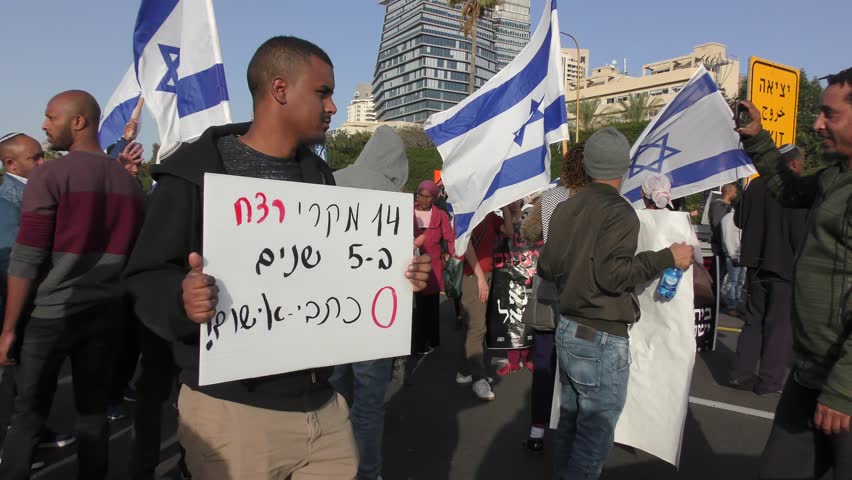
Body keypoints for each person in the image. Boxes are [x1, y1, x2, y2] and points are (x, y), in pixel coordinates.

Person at [122, 36, 430, 479]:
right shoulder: (196, 174)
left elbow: (330, 272)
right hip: (232, 411)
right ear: (280, 89)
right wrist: (181, 300)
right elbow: (145, 276)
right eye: (323, 92)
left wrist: (399, 276)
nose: (332, 107)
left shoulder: (320, 178)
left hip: (322, 408)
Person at [0, 90, 145, 480]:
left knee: (27, 418)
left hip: (50, 316)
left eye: (50, 117)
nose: (44, 125)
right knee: (93, 417)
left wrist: (10, 327)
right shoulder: (130, 184)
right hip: (106, 316)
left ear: (79, 122)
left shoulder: (48, 174)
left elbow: (26, 257)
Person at [537, 127, 694, 479]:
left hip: (568, 327)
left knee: (570, 426)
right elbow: (613, 275)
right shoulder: (620, 211)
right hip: (602, 334)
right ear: (624, 167)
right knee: (593, 441)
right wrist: (667, 257)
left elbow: (545, 266)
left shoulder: (564, 207)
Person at [737, 67, 852, 479]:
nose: (817, 124)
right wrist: (757, 137)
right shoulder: (836, 178)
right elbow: (788, 190)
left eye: (830, 115)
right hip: (810, 374)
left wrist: (842, 390)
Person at [331, 125, 410, 480]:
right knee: (368, 403)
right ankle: (367, 472)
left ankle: (330, 466)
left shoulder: (331, 180)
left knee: (333, 393)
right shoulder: (392, 196)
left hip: (328, 310)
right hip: (374, 314)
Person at [520, 143, 587, 453]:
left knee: (545, 360)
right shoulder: (600, 201)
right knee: (580, 364)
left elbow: (529, 233)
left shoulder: (549, 199)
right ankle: (574, 431)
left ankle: (537, 427)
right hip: (585, 291)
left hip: (549, 287)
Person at [727, 144, 807, 397]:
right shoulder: (795, 188)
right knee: (779, 325)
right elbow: (801, 232)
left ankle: (742, 373)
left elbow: (739, 220)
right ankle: (770, 380)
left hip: (755, 263)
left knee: (754, 320)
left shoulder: (755, 186)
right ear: (793, 164)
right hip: (784, 265)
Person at [457, 209, 505, 401]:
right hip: (473, 276)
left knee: (477, 325)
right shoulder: (466, 211)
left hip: (485, 275)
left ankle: (467, 370)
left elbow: (508, 229)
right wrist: (480, 278)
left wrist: (510, 209)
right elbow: (466, 245)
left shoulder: (488, 214)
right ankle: (478, 377)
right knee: (477, 327)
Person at [491, 199, 539, 376]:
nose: (514, 203)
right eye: (511, 200)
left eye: (517, 199)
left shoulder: (530, 219)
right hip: (507, 275)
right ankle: (513, 361)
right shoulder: (503, 221)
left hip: (528, 274)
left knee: (527, 318)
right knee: (511, 319)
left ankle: (527, 358)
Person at [412, 179, 454, 355]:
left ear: (434, 198)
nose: (422, 199)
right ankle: (417, 343)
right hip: (411, 264)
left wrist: (450, 256)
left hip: (433, 265)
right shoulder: (407, 212)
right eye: (420, 195)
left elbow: (449, 238)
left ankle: (431, 340)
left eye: (427, 196)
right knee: (415, 306)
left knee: (430, 306)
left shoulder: (441, 215)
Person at [709, 182, 737, 293]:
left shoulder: (726, 207)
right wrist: (726, 243)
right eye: (735, 192)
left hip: (724, 246)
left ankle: (717, 296)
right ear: (729, 192)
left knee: (721, 273)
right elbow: (718, 227)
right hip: (721, 246)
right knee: (718, 274)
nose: (736, 194)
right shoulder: (719, 207)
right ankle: (715, 298)